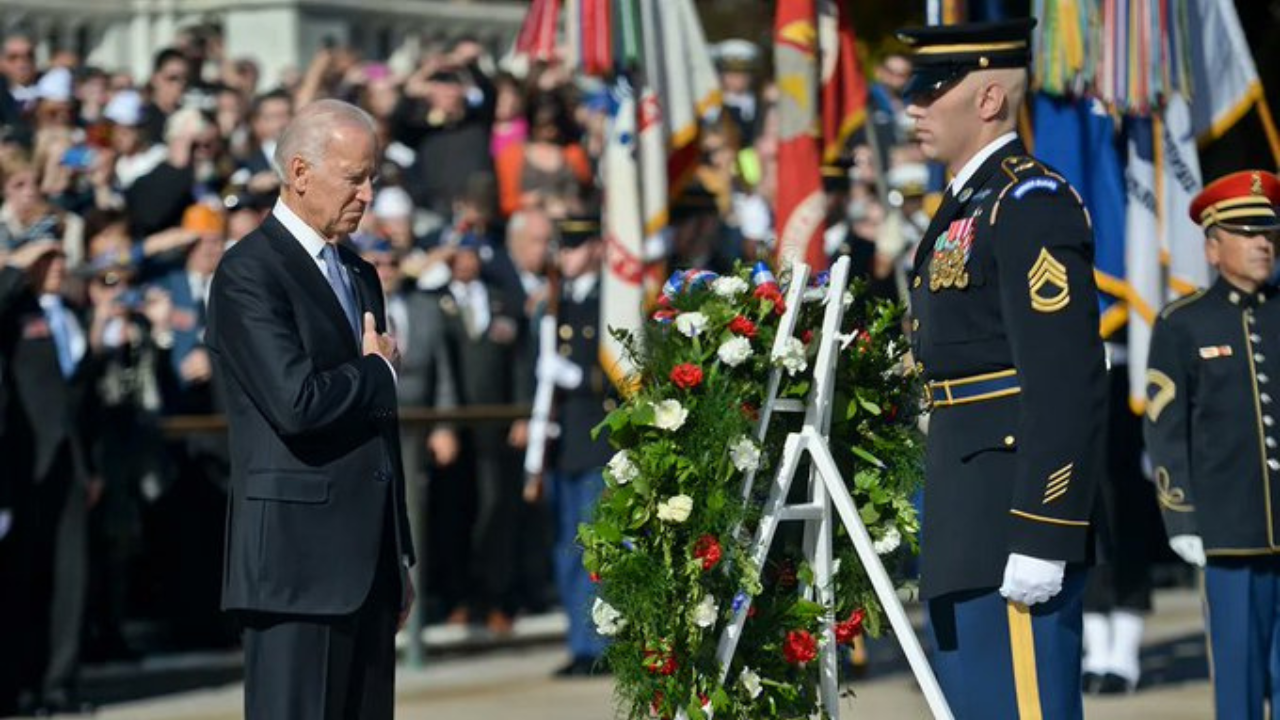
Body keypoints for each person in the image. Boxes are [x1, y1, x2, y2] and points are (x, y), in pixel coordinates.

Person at [899, 18, 1107, 719]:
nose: (913, 107)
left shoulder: (1029, 203)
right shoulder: (965, 204)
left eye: (933, 90)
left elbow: (1065, 379)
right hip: (963, 521)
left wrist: (1044, 530)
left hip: (1009, 522)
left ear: (988, 99)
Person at [204, 99, 415, 720]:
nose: (368, 194)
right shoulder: (248, 271)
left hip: (369, 567)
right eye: (354, 177)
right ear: (300, 172)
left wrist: (397, 550)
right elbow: (295, 402)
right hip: (296, 572)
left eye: (371, 177)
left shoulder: (358, 271)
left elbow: (380, 428)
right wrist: (376, 371)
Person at [1145, 170, 1280, 720]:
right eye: (1247, 233)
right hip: (1228, 533)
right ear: (1211, 245)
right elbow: (1165, 430)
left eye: (1267, 232)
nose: (1263, 243)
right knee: (1240, 679)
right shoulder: (1183, 324)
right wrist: (1182, 518)